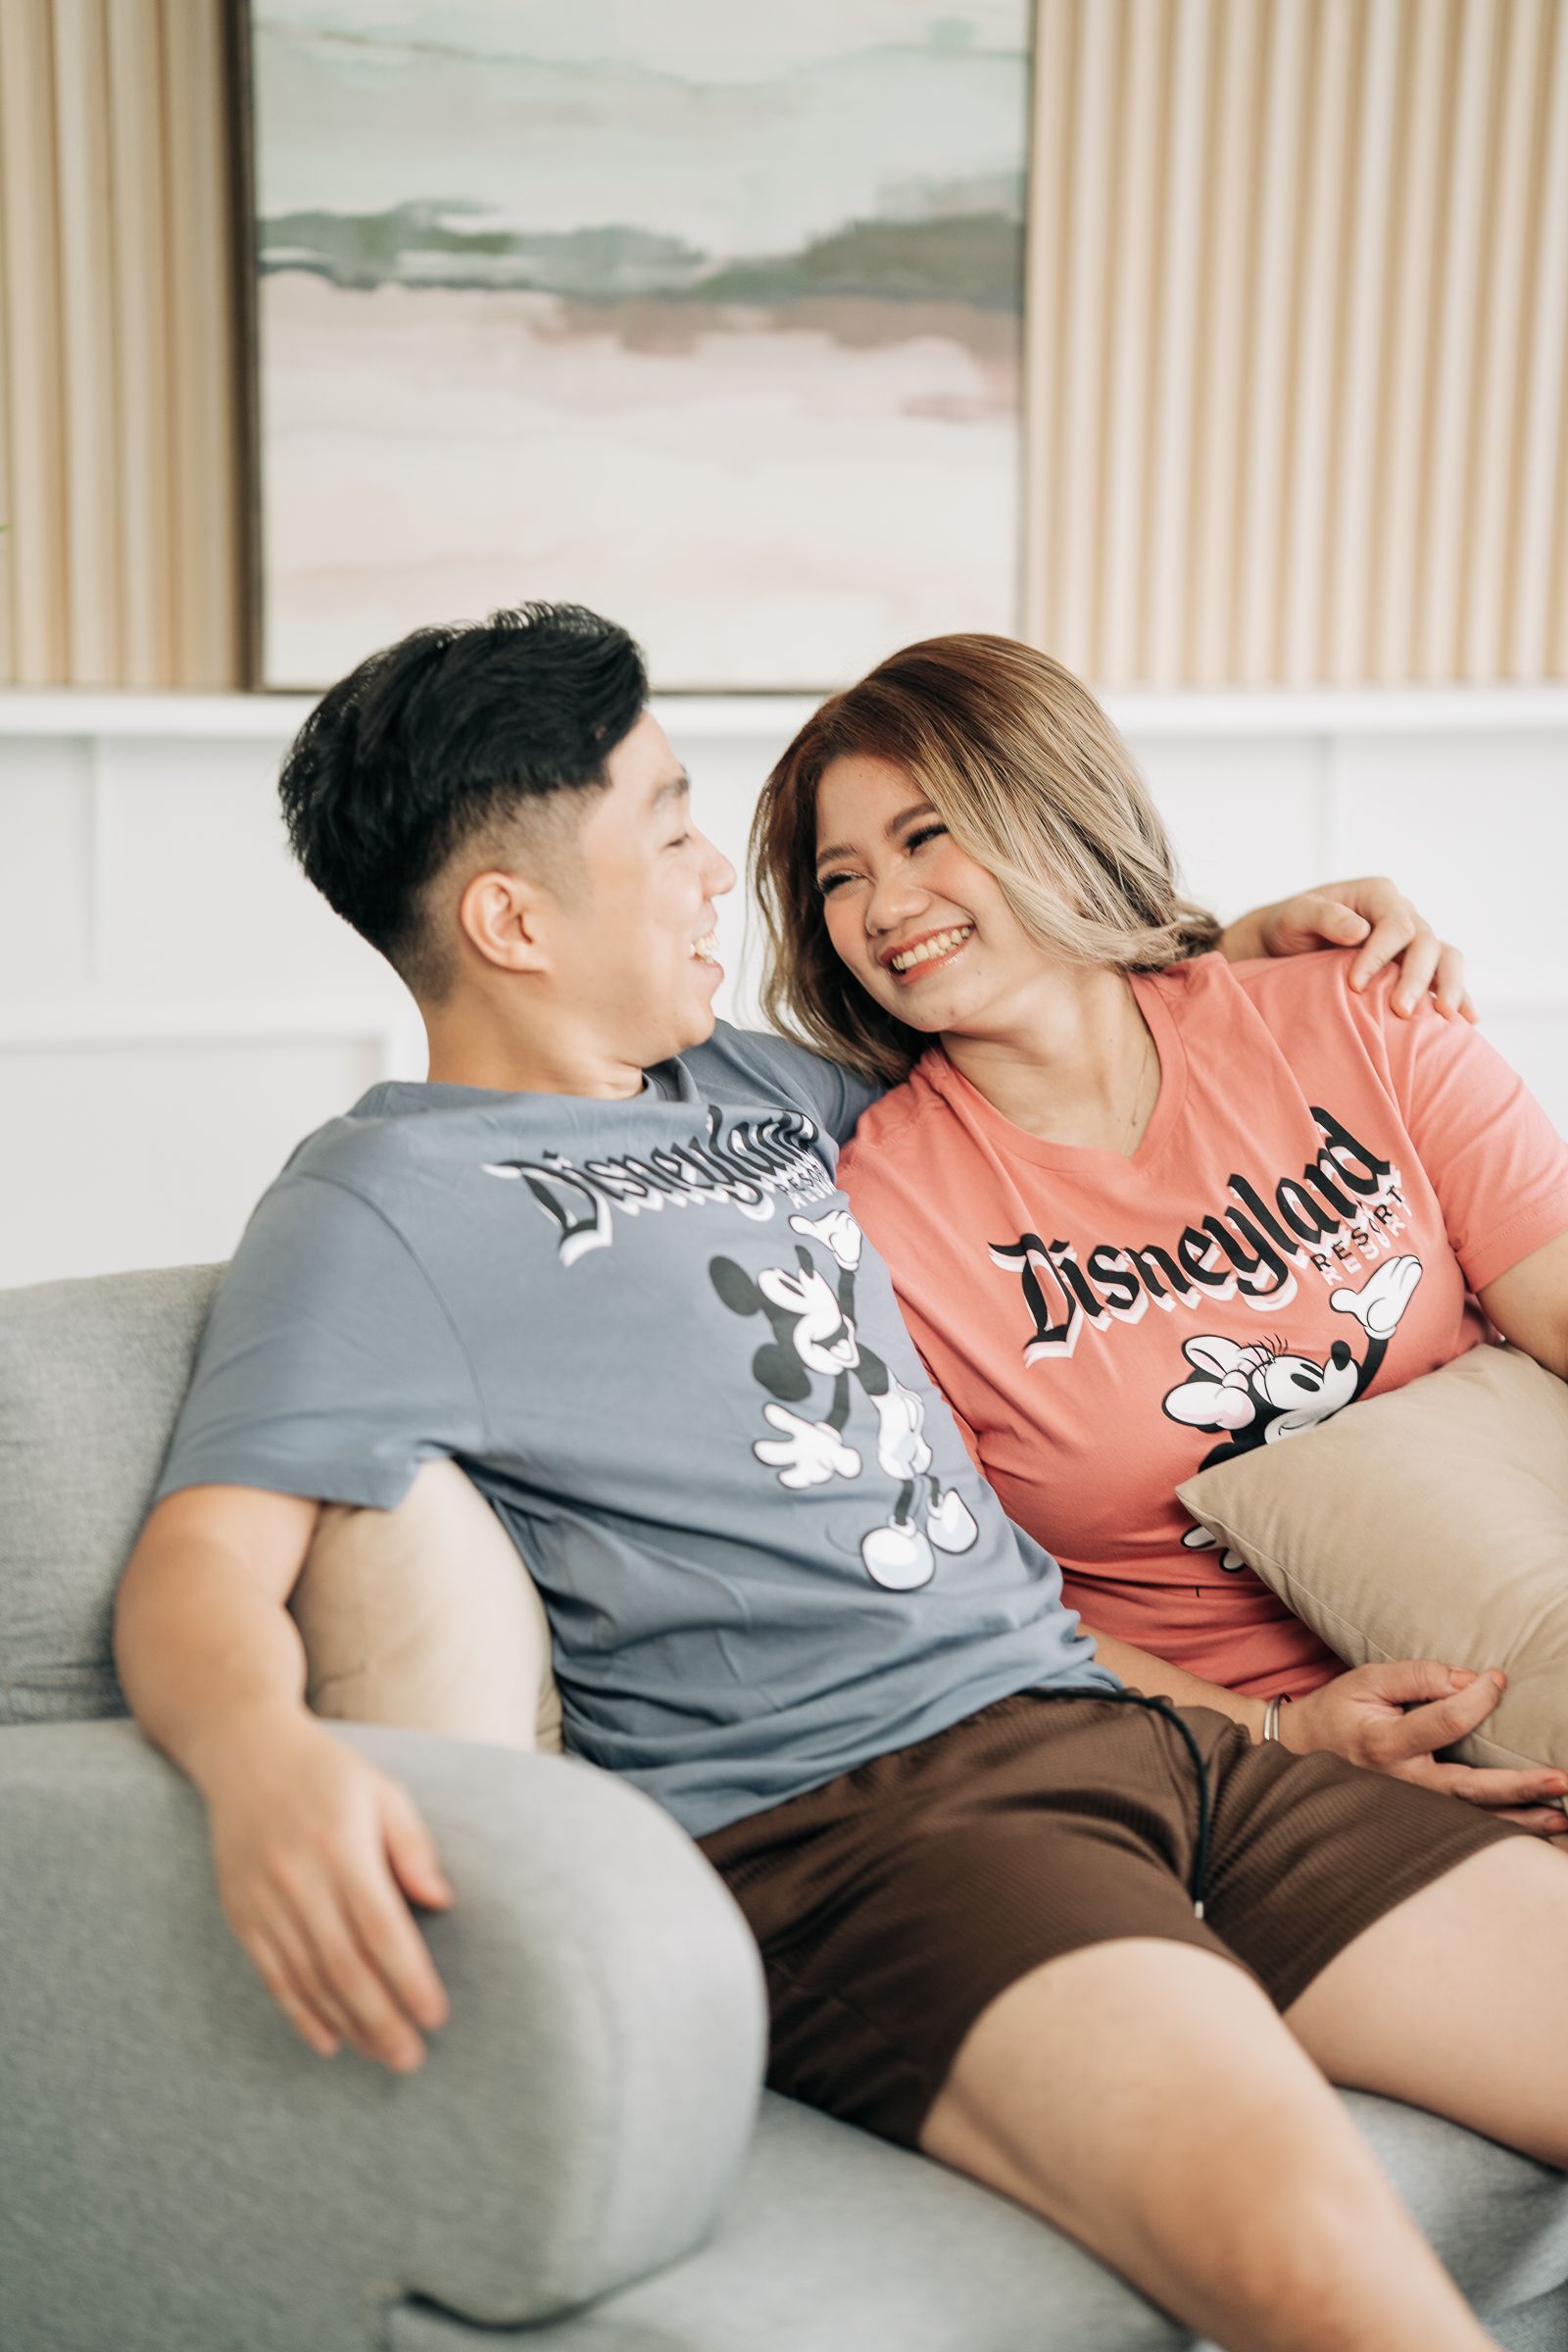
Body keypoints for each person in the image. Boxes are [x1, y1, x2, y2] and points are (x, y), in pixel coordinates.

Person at [116, 605, 1568, 2352]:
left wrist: (1247, 947)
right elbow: (200, 1563)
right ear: (512, 922)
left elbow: (1048, 1017)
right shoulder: (376, 1208)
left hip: (1148, 1744)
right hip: (867, 1828)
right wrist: (262, 1761)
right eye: (667, 830)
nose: (717, 882)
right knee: (1337, 2275)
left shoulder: (765, 1092)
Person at [752, 628, 1568, 1831]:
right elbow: (971, 1598)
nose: (885, 906)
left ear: (1056, 813)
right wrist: (1282, 1738)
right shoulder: (877, 1219)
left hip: (1523, 1631)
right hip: (1227, 1759)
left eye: (925, 836)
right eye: (840, 878)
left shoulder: (1357, 1012)